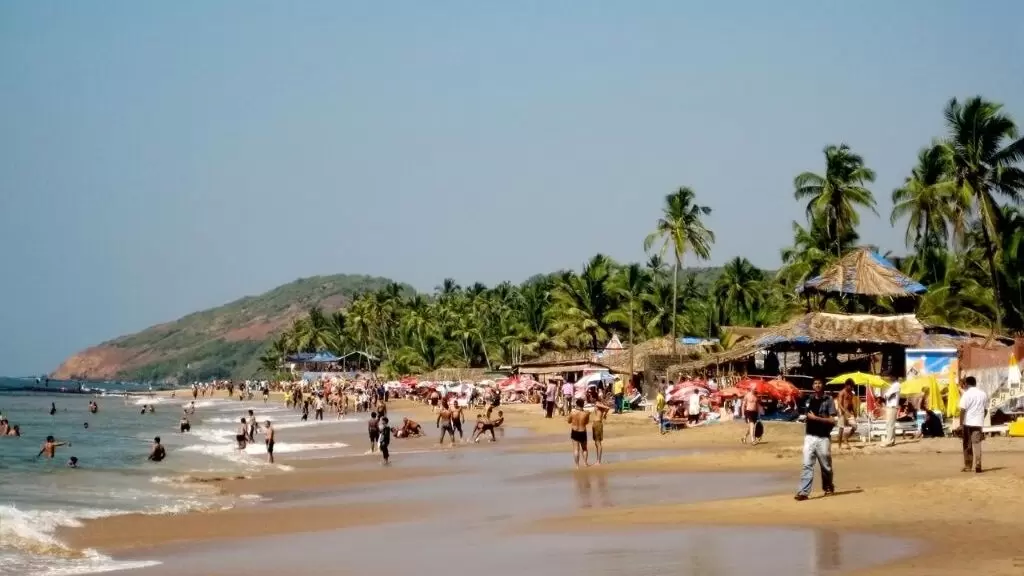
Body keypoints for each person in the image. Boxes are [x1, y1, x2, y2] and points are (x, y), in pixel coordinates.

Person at [795, 380, 837, 501]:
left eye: (819, 383)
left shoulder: (828, 400)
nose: (817, 385)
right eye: (815, 383)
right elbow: (803, 413)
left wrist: (816, 418)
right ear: (812, 386)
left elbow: (833, 420)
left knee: (826, 466)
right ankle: (804, 492)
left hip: (823, 437)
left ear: (823, 385)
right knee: (807, 464)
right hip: (809, 436)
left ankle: (828, 487)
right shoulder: (809, 400)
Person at [958, 376, 988, 473]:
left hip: (967, 423)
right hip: (978, 423)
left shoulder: (966, 394)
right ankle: (978, 464)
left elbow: (962, 410)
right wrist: (981, 418)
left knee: (967, 444)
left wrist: (960, 424)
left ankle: (968, 466)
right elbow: (985, 410)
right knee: (977, 443)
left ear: (967, 384)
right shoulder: (983, 394)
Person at [567, 398, 590, 469]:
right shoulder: (586, 413)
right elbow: (587, 422)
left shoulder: (573, 413)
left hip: (575, 431)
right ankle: (585, 463)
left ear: (576, 404)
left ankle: (577, 466)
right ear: (583, 405)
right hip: (582, 431)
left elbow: (569, 421)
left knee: (576, 449)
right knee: (584, 448)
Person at [835, 379, 858, 450]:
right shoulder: (842, 393)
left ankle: (846, 439)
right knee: (841, 428)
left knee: (855, 426)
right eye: (851, 386)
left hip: (848, 412)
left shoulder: (851, 393)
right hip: (842, 412)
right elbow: (839, 404)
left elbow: (851, 404)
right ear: (847, 385)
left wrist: (854, 412)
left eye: (852, 386)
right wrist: (845, 412)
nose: (852, 388)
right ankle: (839, 446)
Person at [592, 391, 610, 465]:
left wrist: (605, 415)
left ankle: (598, 461)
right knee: (596, 442)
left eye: (591, 397)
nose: (590, 398)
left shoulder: (597, 404)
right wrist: (604, 414)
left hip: (597, 423)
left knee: (598, 442)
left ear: (594, 398)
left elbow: (607, 408)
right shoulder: (599, 403)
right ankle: (598, 460)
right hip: (597, 423)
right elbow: (606, 409)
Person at [881, 378, 901, 447]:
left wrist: (886, 394)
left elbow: (886, 395)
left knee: (890, 424)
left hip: (892, 406)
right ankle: (891, 440)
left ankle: (889, 441)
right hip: (891, 406)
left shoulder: (896, 385)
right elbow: (886, 395)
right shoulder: (894, 385)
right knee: (889, 424)